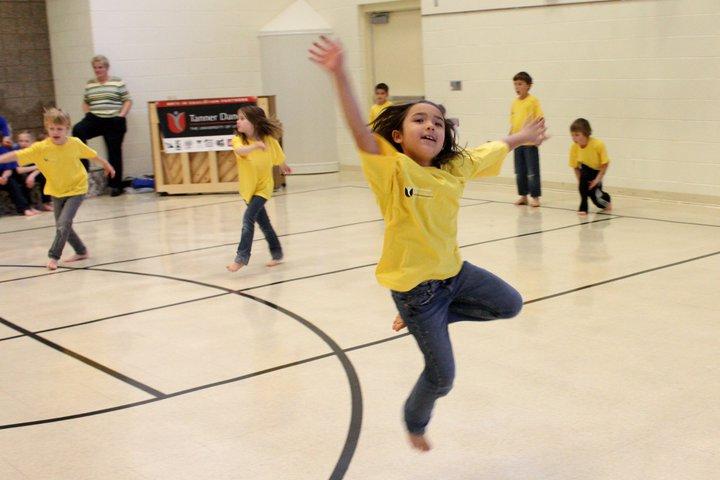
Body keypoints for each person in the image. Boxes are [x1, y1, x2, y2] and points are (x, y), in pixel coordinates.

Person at [309, 36, 547, 451]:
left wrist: (520, 137)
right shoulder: (392, 170)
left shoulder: (455, 165)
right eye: (419, 120)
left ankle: (435, 321)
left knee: (510, 304)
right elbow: (359, 134)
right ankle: (414, 421)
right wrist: (340, 74)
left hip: (455, 274)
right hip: (416, 290)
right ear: (398, 136)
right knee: (442, 378)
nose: (431, 126)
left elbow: (492, 147)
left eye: (437, 121)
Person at [0, 108, 115, 270]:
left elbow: (92, 155)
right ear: (47, 128)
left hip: (77, 188)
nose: (55, 132)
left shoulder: (74, 143)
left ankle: (53, 256)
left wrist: (106, 164)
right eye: (52, 129)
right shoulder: (41, 147)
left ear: (66, 128)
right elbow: (17, 154)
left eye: (59, 129)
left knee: (64, 222)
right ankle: (81, 251)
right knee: (62, 225)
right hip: (56, 191)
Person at [226, 105, 292, 273]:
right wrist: (255, 146)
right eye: (238, 118)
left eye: (242, 118)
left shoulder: (269, 140)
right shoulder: (238, 140)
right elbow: (240, 150)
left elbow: (278, 157)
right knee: (264, 223)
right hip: (248, 190)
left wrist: (284, 166)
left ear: (254, 122)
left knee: (248, 219)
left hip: (263, 188)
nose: (238, 121)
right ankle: (277, 253)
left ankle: (241, 258)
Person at [72, 54, 131, 196]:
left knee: (113, 151)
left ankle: (115, 185)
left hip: (114, 119)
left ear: (106, 68)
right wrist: (88, 114)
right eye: (95, 68)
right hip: (96, 118)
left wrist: (120, 115)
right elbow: (86, 101)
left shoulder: (117, 82)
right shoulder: (90, 83)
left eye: (100, 67)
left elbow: (127, 101)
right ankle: (84, 166)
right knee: (78, 130)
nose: (98, 70)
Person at [510, 71, 544, 207]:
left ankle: (535, 196)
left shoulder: (533, 101)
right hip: (518, 142)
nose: (517, 87)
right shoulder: (514, 103)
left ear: (528, 86)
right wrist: (511, 139)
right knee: (520, 171)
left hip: (530, 142)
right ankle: (523, 196)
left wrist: (539, 135)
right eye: (515, 84)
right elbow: (512, 122)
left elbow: (540, 118)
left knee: (532, 171)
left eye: (520, 84)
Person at [569, 118, 612, 215]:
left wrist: (596, 181)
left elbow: (605, 164)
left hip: (597, 172)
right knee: (583, 185)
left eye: (577, 135)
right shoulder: (574, 147)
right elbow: (575, 167)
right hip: (585, 170)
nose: (574, 138)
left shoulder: (598, 145)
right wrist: (580, 182)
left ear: (585, 133)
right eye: (572, 135)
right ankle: (583, 206)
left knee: (596, 198)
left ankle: (607, 200)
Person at [14, 131, 53, 212]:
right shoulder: (16, 152)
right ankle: (29, 206)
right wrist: (35, 168)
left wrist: (32, 175)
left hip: (32, 173)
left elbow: (43, 165)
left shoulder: (35, 151)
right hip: (20, 174)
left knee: (45, 176)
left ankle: (46, 203)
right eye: (21, 141)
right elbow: (18, 170)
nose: (23, 143)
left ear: (32, 143)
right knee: (23, 180)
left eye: (26, 141)